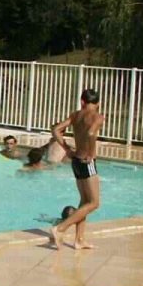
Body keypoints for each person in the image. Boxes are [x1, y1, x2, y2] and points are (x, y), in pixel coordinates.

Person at [50, 89, 105, 250]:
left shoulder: (75, 115)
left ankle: (79, 240)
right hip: (87, 161)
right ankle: (60, 229)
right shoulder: (98, 116)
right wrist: (92, 153)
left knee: (83, 202)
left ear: (82, 101)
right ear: (98, 103)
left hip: (75, 160)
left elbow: (55, 130)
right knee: (94, 203)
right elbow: (91, 132)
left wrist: (67, 149)